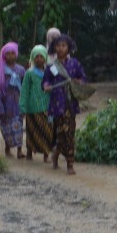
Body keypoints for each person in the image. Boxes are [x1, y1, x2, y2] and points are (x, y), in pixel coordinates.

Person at [43, 34, 86, 174]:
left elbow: (82, 77)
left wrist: (79, 81)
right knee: (61, 133)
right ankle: (56, 155)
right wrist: (46, 86)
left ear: (68, 48)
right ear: (54, 48)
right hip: (57, 104)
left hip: (70, 104)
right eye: (58, 46)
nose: (60, 48)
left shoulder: (75, 63)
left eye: (63, 46)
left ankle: (70, 164)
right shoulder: (51, 67)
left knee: (70, 133)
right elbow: (45, 81)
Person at [21, 44, 52, 163]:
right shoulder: (29, 73)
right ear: (33, 58)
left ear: (45, 58)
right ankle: (29, 152)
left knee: (47, 131)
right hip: (32, 107)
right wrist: (22, 106)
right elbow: (24, 90)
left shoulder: (50, 72)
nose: (39, 59)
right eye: (36, 57)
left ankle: (46, 154)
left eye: (41, 56)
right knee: (32, 131)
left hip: (46, 106)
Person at [0, 42, 25, 157]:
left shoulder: (21, 70)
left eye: (13, 53)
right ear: (4, 56)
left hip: (18, 102)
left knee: (19, 126)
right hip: (6, 102)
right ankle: (7, 149)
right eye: (8, 54)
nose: (11, 56)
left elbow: (24, 86)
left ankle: (19, 151)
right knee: (7, 127)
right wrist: (0, 106)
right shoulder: (0, 70)